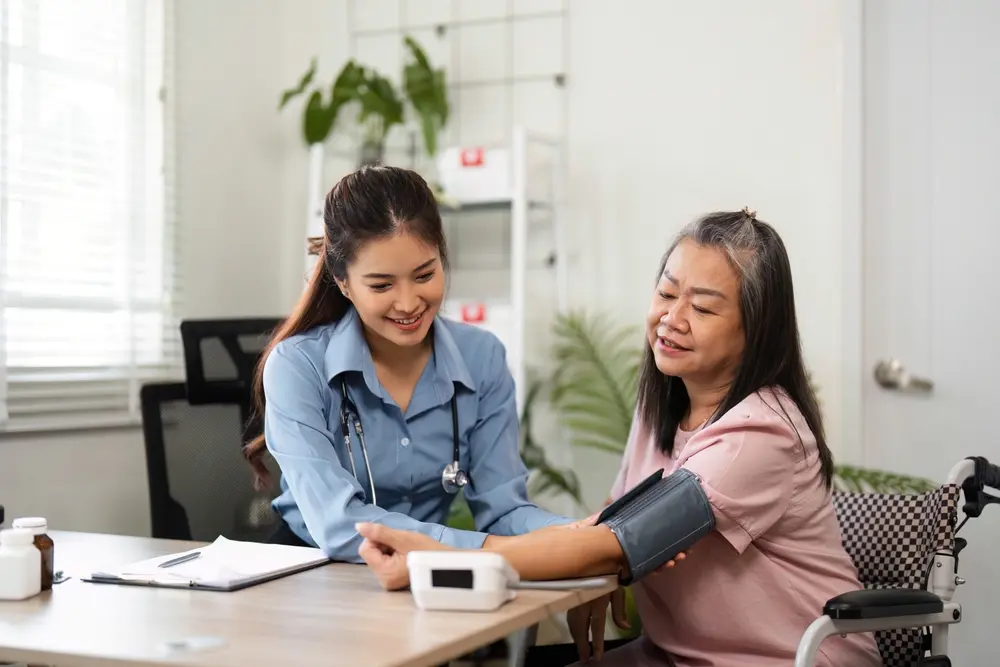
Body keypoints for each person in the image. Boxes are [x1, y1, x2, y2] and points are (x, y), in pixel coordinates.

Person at [354, 209, 884, 667]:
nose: (671, 319)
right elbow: (614, 519)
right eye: (667, 293)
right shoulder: (664, 405)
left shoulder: (761, 432)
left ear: (756, 328)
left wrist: (440, 557)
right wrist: (598, 565)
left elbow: (621, 539)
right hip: (679, 655)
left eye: (701, 308)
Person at [242, 164, 578, 562]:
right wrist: (497, 552)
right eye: (382, 285)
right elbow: (337, 524)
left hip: (423, 572)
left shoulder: (482, 357)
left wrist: (576, 538)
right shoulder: (297, 366)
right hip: (310, 569)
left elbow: (504, 509)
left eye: (424, 275)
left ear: (442, 255)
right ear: (343, 281)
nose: (408, 303)